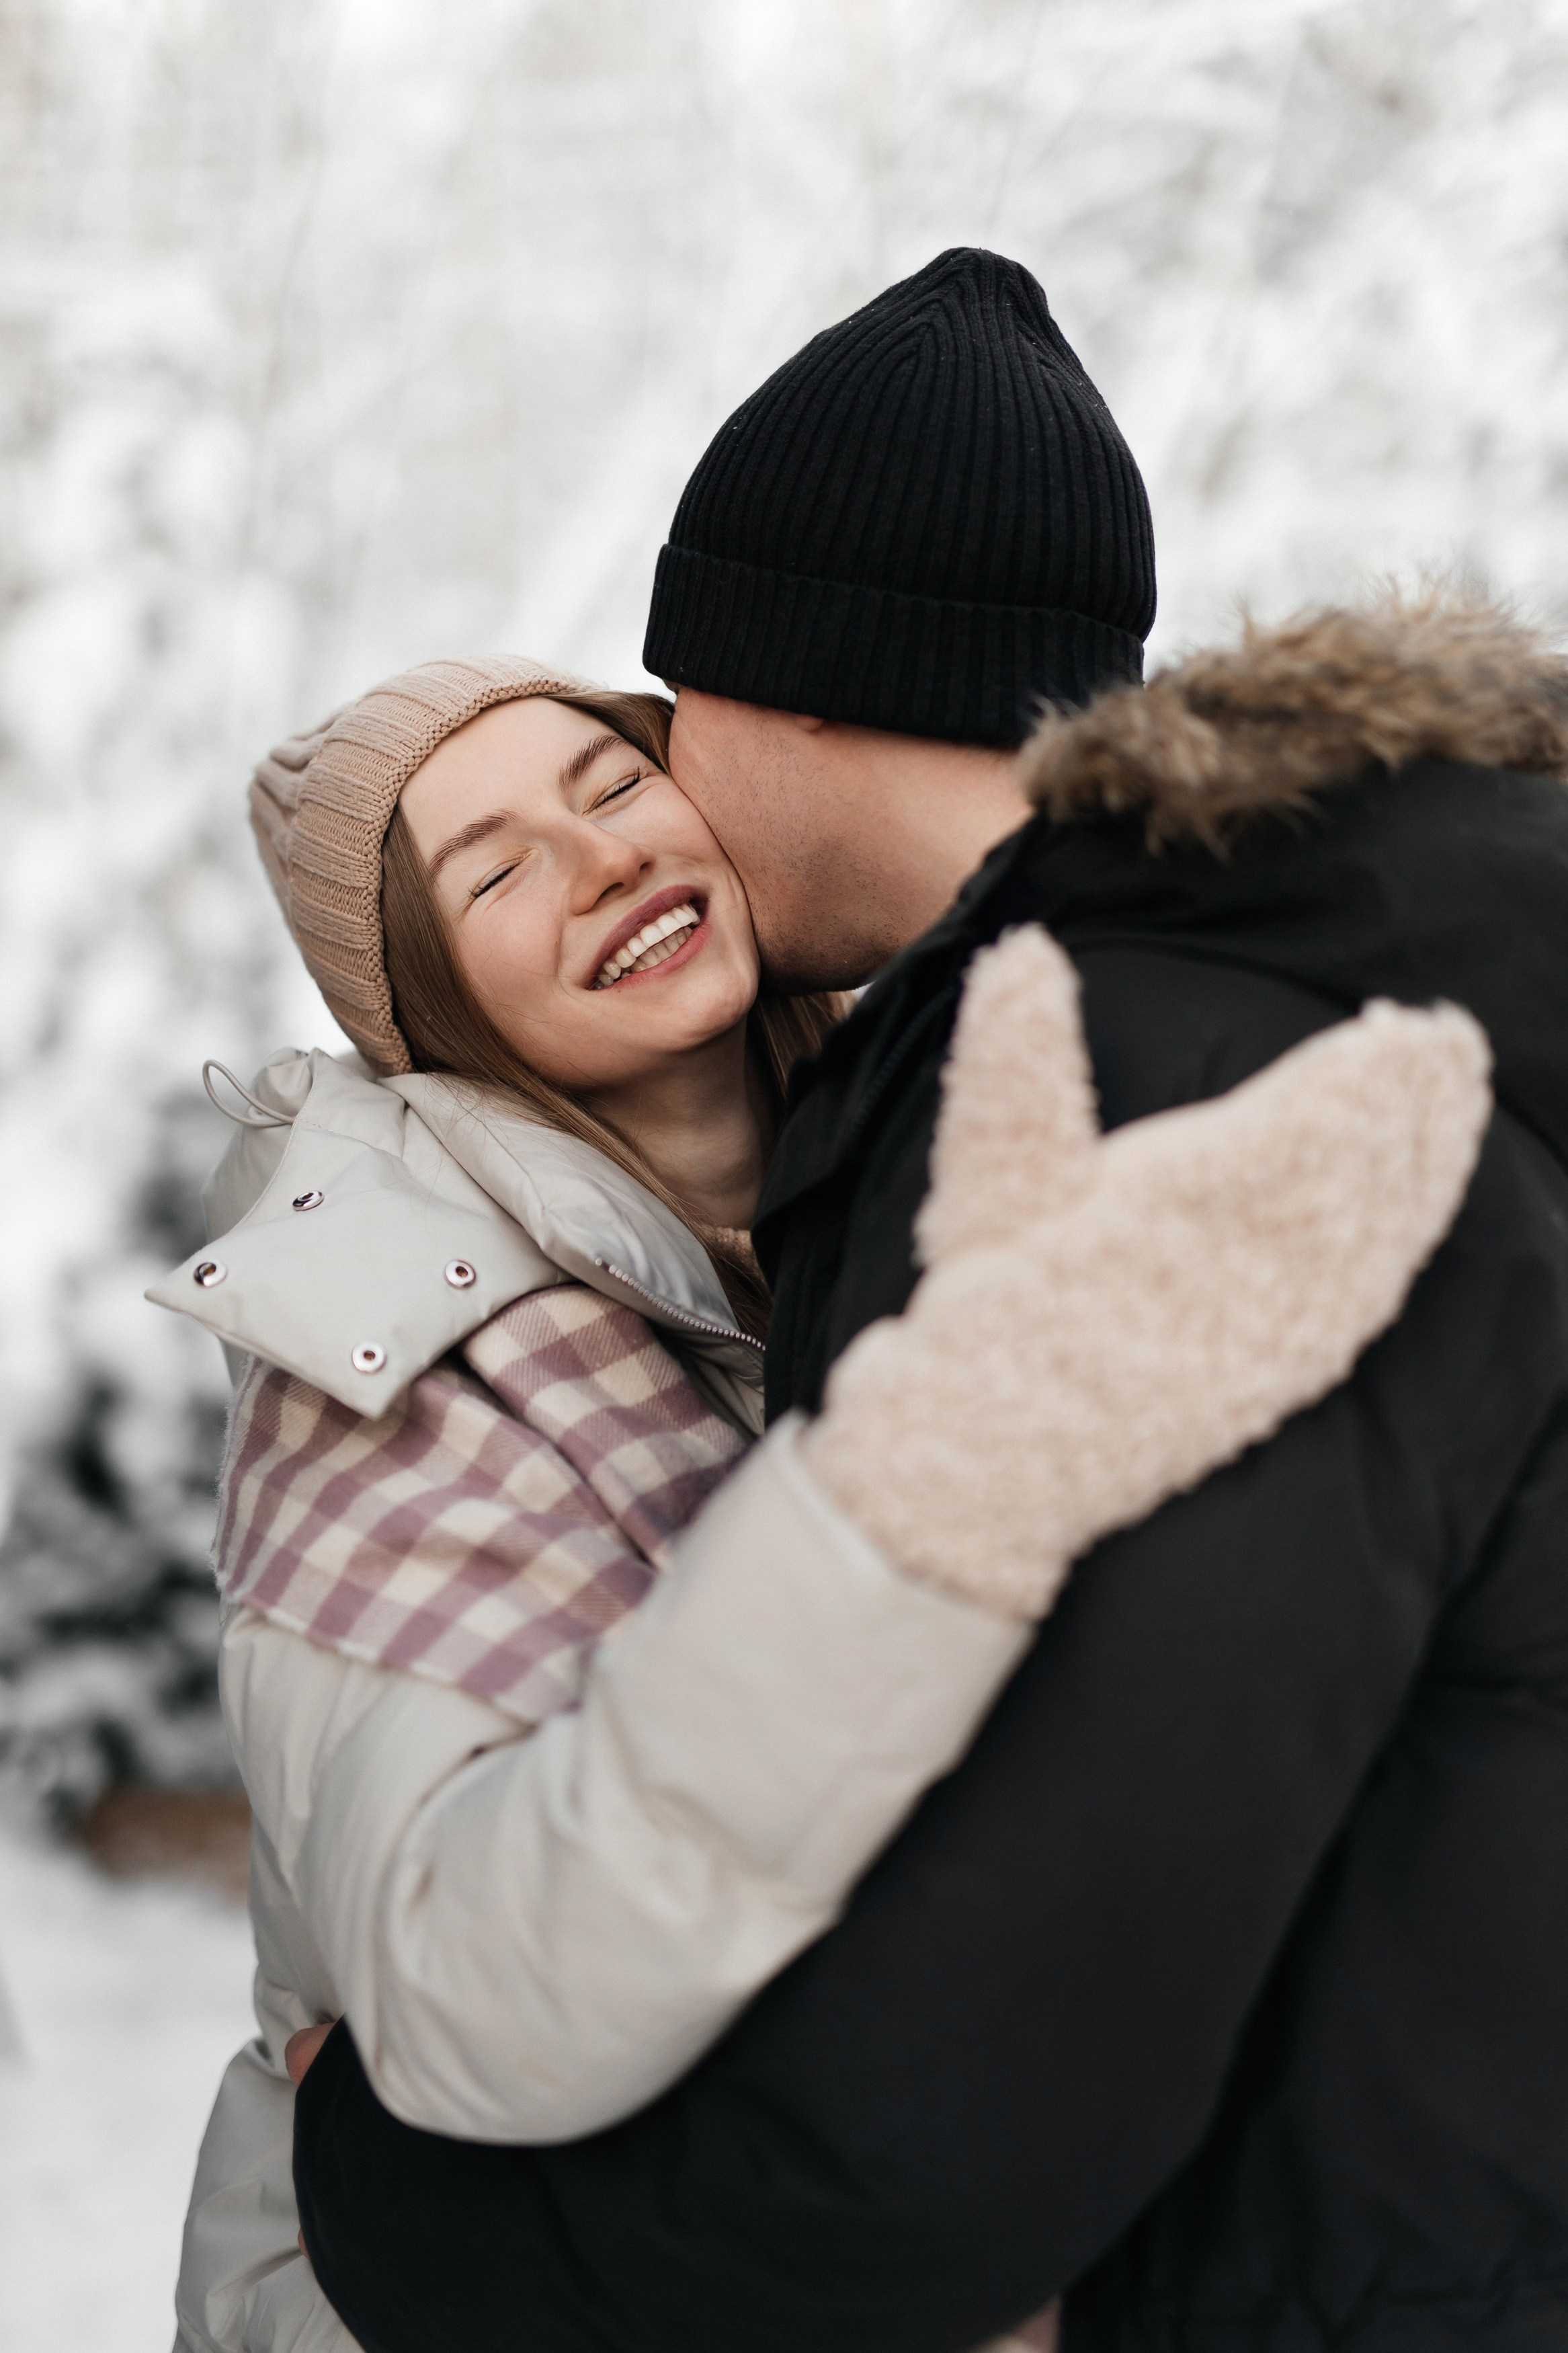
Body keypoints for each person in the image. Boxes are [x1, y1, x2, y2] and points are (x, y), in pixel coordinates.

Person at [288, 250, 1568, 2352]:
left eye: (657, 713)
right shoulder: (1281, 976)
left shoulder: (1131, 1063)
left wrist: (402, 2199)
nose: (663, 785)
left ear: (793, 676)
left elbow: (1007, 2022)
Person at [156, 649, 1477, 2353]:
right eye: (494, 869)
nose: (605, 859)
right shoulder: (389, 1356)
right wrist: (922, 1489)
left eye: (614, 783)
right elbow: (473, 1996)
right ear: (422, 1001)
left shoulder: (898, 1171)